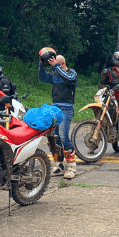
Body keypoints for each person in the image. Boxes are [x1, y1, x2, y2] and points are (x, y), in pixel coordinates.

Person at [38, 47, 79, 179]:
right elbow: (42, 78)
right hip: (55, 107)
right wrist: (41, 65)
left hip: (66, 108)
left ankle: (72, 166)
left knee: (63, 135)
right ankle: (59, 165)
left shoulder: (72, 74)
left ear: (61, 63)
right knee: (54, 137)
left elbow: (68, 78)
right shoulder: (55, 75)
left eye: (55, 63)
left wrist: (56, 66)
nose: (53, 66)